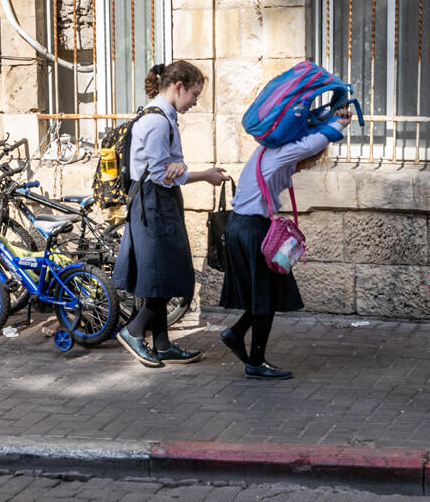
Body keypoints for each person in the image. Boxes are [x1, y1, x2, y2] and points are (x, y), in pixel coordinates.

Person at [218, 110, 352, 380]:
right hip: (253, 229)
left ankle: (236, 333)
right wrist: (340, 123)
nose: (306, 164)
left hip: (242, 226)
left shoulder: (266, 151)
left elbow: (310, 132)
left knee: (264, 293)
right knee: (266, 296)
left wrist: (326, 115)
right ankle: (255, 362)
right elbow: (312, 142)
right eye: (309, 163)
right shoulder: (281, 152)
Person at [113, 61, 229, 368]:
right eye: (194, 94)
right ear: (178, 86)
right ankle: (134, 331)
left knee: (161, 274)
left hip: (158, 202)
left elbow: (164, 170)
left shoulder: (163, 116)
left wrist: (180, 172)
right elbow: (161, 174)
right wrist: (201, 174)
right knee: (163, 275)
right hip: (153, 204)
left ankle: (162, 345)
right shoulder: (156, 122)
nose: (194, 102)